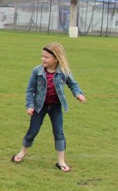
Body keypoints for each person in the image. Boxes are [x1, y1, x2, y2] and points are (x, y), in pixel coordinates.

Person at [11, 43, 86, 172]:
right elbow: (30, 90)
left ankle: (61, 161)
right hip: (39, 107)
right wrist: (29, 106)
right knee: (33, 131)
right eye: (42, 56)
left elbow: (73, 84)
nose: (43, 59)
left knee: (59, 132)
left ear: (56, 59)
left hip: (56, 107)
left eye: (47, 57)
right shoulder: (37, 71)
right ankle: (22, 152)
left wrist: (78, 94)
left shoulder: (64, 72)